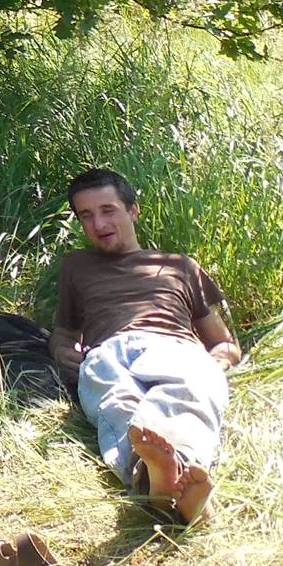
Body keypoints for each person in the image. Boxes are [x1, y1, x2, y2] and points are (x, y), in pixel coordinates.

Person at [51, 167, 240, 523]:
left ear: (133, 210)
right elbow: (64, 332)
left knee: (186, 392)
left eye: (108, 210)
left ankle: (167, 476)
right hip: (107, 351)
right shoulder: (76, 266)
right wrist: (61, 351)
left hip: (172, 345)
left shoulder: (179, 266)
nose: (98, 224)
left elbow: (224, 343)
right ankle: (168, 484)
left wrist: (213, 366)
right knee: (117, 402)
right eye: (86, 216)